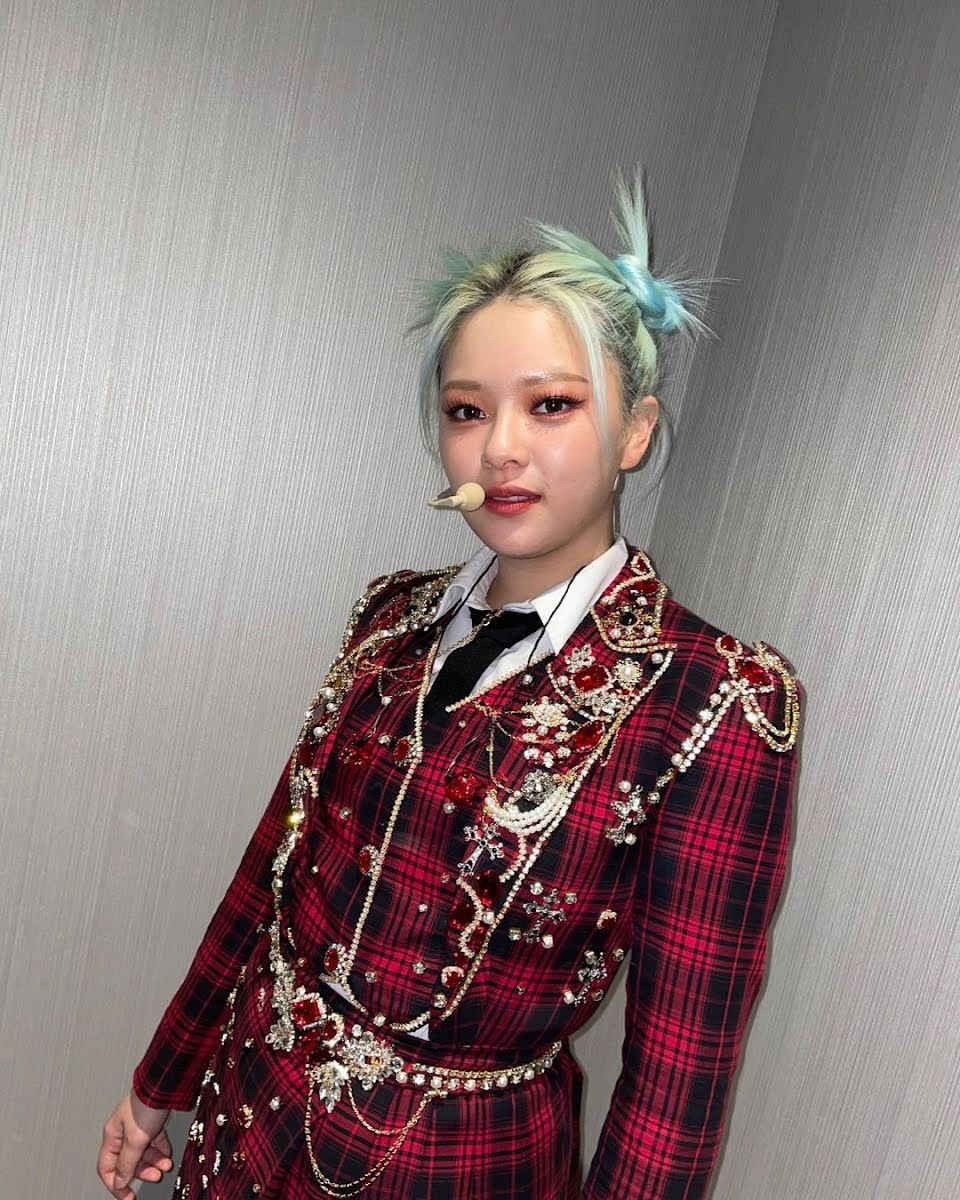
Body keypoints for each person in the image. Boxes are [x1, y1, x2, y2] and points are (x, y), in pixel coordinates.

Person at [97, 170, 801, 1200]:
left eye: (552, 405)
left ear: (635, 430)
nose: (501, 447)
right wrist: (160, 1079)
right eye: (467, 410)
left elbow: (675, 1088)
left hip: (455, 1169)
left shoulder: (709, 701)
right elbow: (268, 875)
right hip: (247, 1118)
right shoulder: (392, 618)